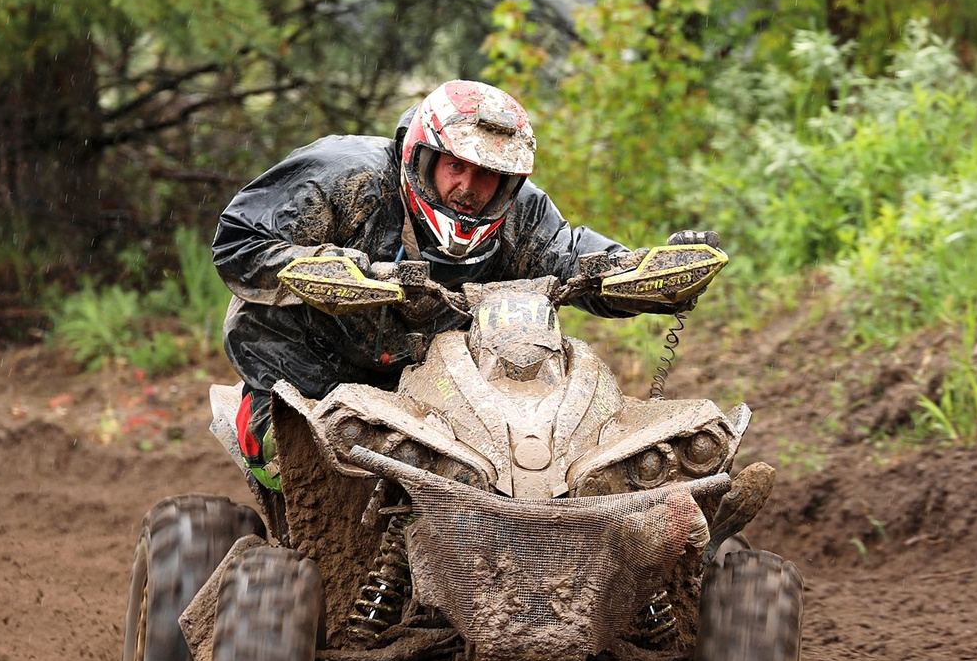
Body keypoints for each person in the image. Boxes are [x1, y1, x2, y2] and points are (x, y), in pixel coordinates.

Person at [211, 79, 712, 490]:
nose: (469, 188)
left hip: (429, 380)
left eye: (488, 174)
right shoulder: (345, 177)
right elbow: (238, 239)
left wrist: (657, 272)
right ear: (422, 157)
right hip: (301, 362)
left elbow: (574, 256)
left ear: (509, 182)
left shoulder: (521, 212)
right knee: (313, 469)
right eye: (456, 166)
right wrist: (326, 269)